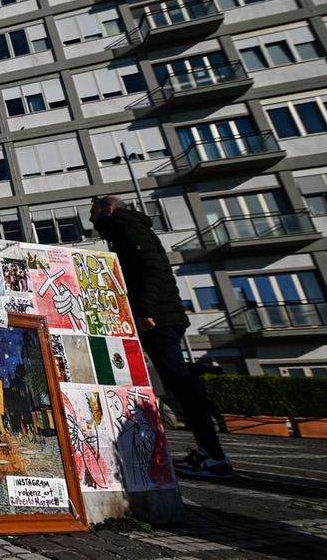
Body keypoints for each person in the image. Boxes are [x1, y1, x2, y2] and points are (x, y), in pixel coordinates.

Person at [89, 195, 232, 478]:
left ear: (109, 208)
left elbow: (151, 270)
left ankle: (214, 457)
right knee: (177, 380)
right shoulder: (126, 231)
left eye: (94, 213)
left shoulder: (131, 231)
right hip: (160, 317)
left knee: (180, 382)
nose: (92, 220)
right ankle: (208, 452)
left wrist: (144, 311)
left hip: (158, 320)